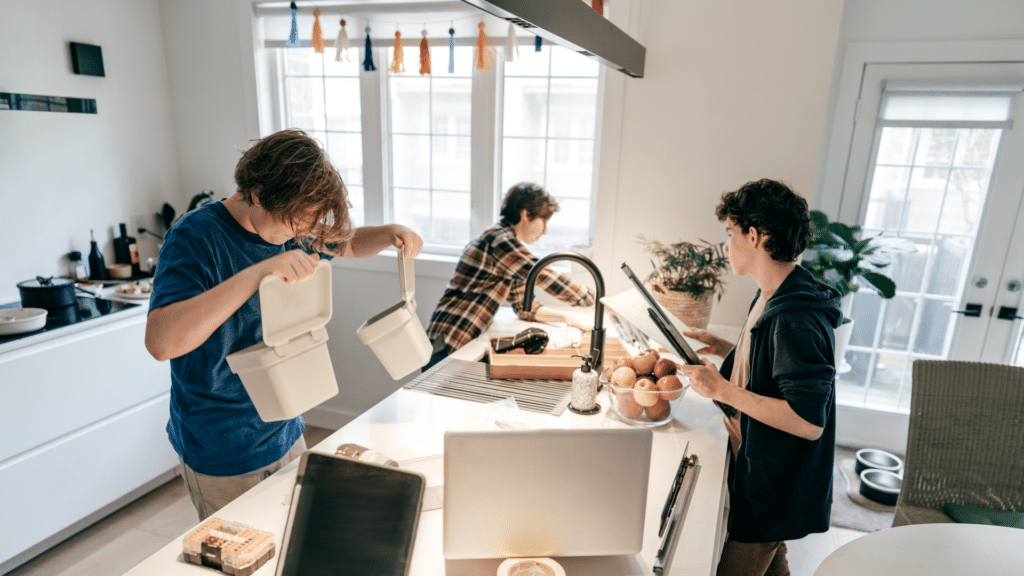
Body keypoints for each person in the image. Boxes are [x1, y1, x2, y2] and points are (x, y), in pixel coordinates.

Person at [144, 129, 423, 520]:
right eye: (293, 222)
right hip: (221, 445)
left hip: (284, 426)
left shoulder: (294, 225)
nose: (300, 233)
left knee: (294, 536)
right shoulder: (194, 238)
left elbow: (347, 243)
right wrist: (257, 274)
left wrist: (391, 233)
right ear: (257, 193)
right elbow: (162, 342)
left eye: (307, 223)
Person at [678, 179, 842, 576]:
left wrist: (722, 390)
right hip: (764, 472)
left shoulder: (794, 318)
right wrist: (720, 346)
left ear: (754, 236)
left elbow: (807, 421)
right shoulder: (774, 293)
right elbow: (768, 365)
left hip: (772, 484)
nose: (727, 244)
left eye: (730, 233)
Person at [423, 182, 596, 370]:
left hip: (456, 339)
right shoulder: (499, 241)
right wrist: (589, 297)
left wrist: (566, 319)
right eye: (544, 221)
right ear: (525, 214)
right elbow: (540, 274)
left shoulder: (504, 249)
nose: (545, 231)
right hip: (446, 343)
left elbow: (525, 308)